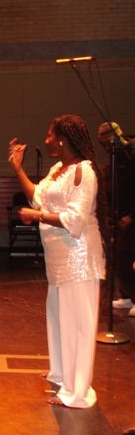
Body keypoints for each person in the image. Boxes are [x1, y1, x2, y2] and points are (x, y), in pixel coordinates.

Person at [9, 114, 107, 408]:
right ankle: (64, 375)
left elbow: (75, 220)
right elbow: (38, 198)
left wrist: (35, 217)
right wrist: (17, 168)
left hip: (79, 258)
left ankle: (77, 393)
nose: (46, 139)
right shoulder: (58, 169)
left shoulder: (85, 172)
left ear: (63, 139)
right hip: (59, 260)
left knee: (78, 324)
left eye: (50, 135)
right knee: (60, 318)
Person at [96, 123, 135, 315]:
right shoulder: (115, 159)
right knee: (120, 257)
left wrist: (131, 216)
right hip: (120, 216)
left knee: (128, 256)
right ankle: (128, 296)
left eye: (108, 142)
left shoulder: (131, 155)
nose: (105, 148)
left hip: (131, 216)